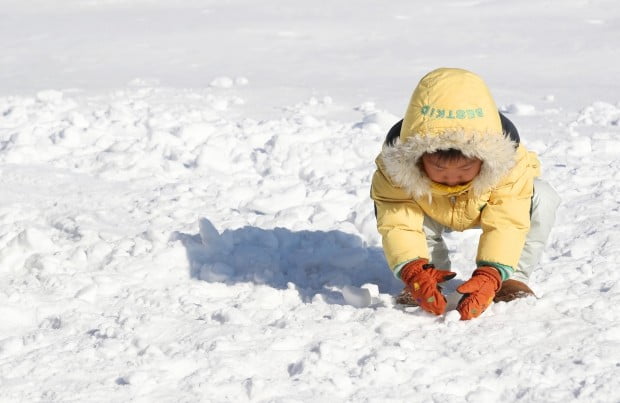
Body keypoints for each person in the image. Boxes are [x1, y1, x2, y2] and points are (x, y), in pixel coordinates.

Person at [370, 68, 561, 320]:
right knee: (409, 215)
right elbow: (399, 223)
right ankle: (428, 276)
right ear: (418, 159)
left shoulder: (508, 167)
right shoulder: (396, 169)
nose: (451, 178)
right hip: (430, 208)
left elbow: (507, 222)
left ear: (484, 159)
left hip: (483, 205)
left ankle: (511, 278)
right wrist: (413, 269)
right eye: (439, 168)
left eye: (464, 168)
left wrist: (492, 272)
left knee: (542, 197)